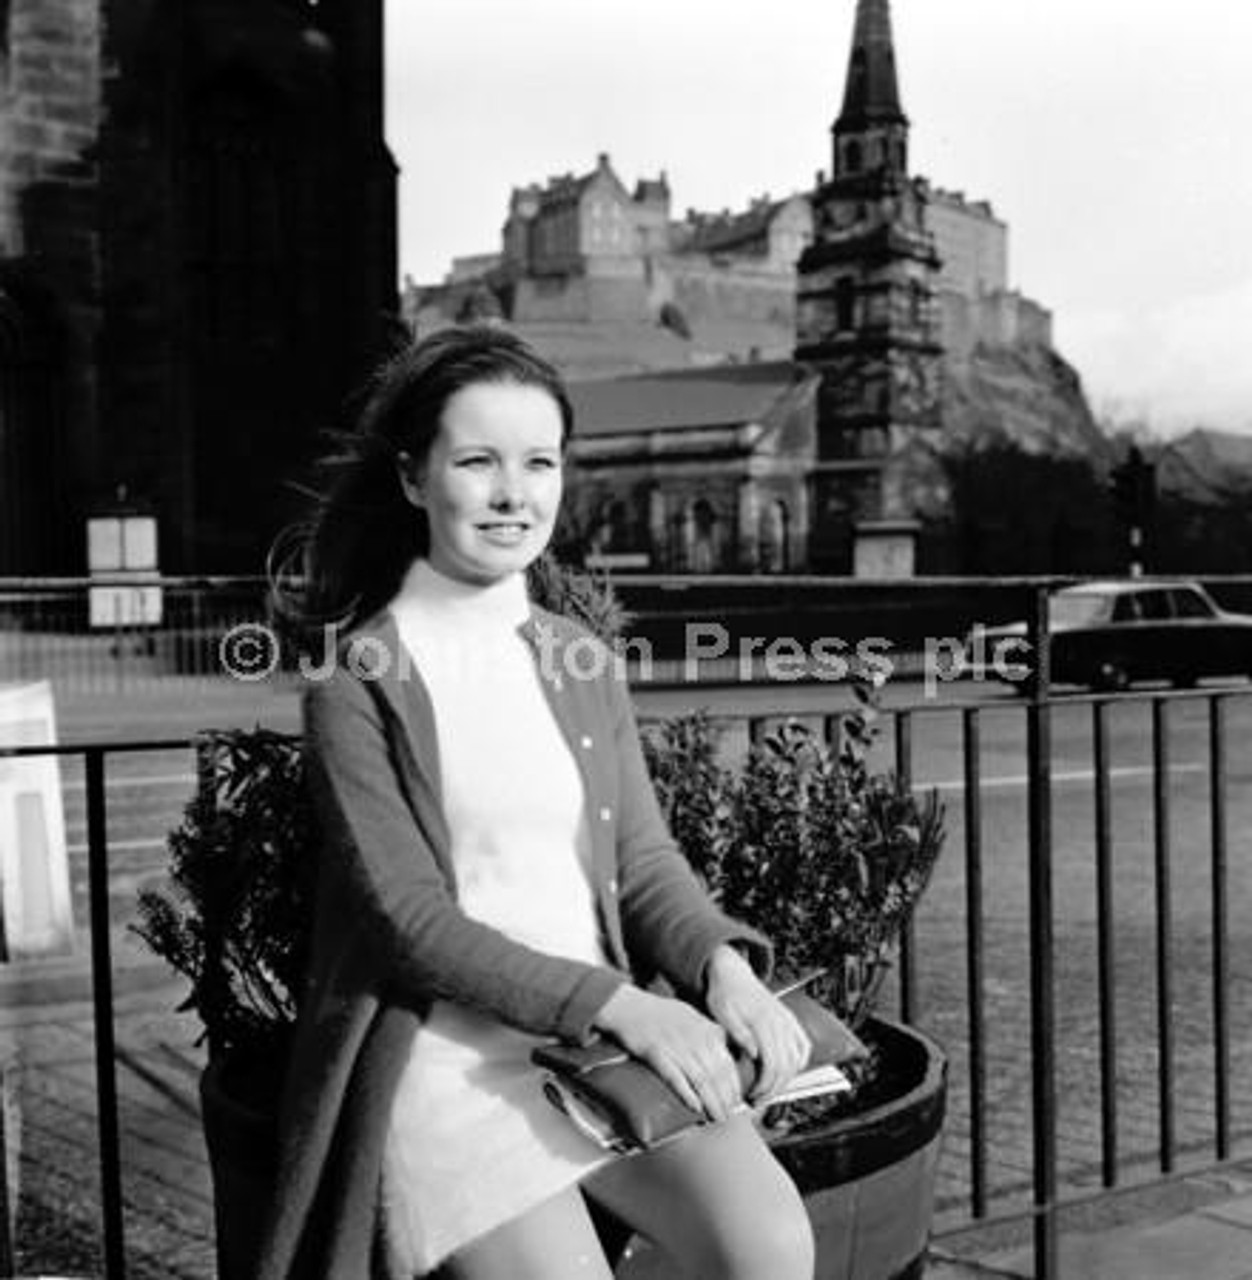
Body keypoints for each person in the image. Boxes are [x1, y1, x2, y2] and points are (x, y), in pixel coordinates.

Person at [259, 324, 817, 1280]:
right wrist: (629, 1009)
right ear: (412, 478)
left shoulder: (577, 657)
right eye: (478, 461)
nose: (515, 495)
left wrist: (724, 971)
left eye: (540, 463)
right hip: (450, 1057)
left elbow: (642, 862)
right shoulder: (359, 679)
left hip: (599, 1048)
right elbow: (409, 924)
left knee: (771, 1247)